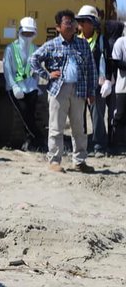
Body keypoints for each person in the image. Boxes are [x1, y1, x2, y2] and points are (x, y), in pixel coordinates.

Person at [30, 10, 96, 173]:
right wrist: (47, 74)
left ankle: (79, 161)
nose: (71, 25)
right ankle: (54, 161)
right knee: (56, 127)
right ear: (58, 27)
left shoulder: (83, 44)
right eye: (67, 22)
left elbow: (91, 68)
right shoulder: (52, 45)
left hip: (79, 90)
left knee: (79, 128)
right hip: (58, 90)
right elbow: (33, 59)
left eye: (73, 22)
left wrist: (91, 91)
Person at [3, 17, 44, 151]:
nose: (27, 36)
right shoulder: (10, 49)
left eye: (30, 34)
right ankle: (39, 138)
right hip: (16, 86)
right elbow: (7, 70)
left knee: (30, 114)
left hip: (30, 86)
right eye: (25, 33)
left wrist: (36, 84)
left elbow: (37, 69)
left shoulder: (35, 49)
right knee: (23, 113)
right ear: (19, 32)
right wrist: (14, 86)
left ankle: (30, 141)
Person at [76, 5, 111, 155]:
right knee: (78, 116)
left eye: (84, 21)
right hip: (78, 85)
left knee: (97, 116)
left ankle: (99, 146)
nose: (81, 24)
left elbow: (108, 62)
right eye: (80, 21)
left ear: (92, 23)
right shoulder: (76, 41)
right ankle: (83, 145)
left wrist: (108, 80)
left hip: (96, 85)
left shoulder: (101, 41)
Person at [110, 25, 126, 152]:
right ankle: (115, 142)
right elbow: (116, 62)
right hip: (123, 86)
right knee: (119, 115)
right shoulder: (121, 42)